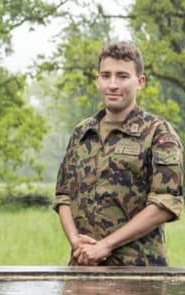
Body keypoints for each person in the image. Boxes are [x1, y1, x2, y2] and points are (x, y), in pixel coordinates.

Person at [54, 41, 183, 266]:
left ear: (140, 82)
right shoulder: (82, 132)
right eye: (106, 75)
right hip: (84, 270)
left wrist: (106, 245)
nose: (112, 84)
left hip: (139, 274)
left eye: (122, 76)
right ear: (97, 80)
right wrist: (77, 242)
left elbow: (166, 203)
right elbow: (63, 195)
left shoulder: (158, 133)